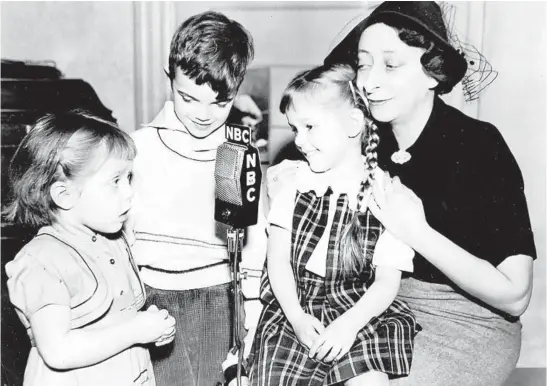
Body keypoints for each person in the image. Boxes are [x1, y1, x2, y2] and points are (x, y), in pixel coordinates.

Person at [323, 2, 537, 385]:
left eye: (390, 65)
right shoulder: (361, 137)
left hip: (468, 325)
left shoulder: (478, 146)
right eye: (364, 63)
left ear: (432, 74)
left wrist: (416, 231)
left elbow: (515, 295)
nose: (369, 82)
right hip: (376, 309)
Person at [248, 63, 420, 386]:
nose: (300, 140)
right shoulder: (293, 182)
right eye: (295, 129)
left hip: (357, 310)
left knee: (370, 382)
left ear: (353, 124)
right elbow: (278, 263)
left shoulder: (382, 193)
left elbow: (386, 282)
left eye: (310, 127)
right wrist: (297, 318)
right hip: (295, 307)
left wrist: (349, 325)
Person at [127, 11, 267, 386]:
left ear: (236, 91)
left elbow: (254, 243)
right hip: (152, 299)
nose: (203, 115)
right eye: (188, 98)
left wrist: (250, 310)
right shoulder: (138, 149)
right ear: (169, 77)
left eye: (219, 103)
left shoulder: (237, 152)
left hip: (217, 300)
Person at [3, 110, 176, 386]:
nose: (129, 192)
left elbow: (119, 316)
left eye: (128, 178)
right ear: (65, 195)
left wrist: (150, 327)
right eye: (115, 181)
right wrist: (136, 331)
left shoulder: (113, 239)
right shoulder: (42, 261)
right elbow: (58, 351)